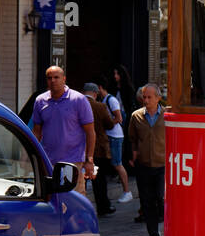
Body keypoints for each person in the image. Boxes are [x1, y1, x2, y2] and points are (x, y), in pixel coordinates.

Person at [32, 66, 96, 192]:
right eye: (49, 78)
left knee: (74, 201)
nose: (53, 81)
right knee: (53, 200)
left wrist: (89, 160)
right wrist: (30, 156)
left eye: (56, 77)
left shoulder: (78, 100)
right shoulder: (40, 101)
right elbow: (36, 132)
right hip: (48, 161)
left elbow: (90, 132)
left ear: (64, 79)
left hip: (72, 162)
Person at [129, 83, 166, 236]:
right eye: (144, 97)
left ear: (158, 98)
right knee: (147, 202)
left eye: (150, 97)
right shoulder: (136, 116)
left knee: (160, 198)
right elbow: (133, 138)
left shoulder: (167, 115)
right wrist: (134, 154)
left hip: (162, 165)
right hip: (144, 165)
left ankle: (169, 233)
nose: (146, 100)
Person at [82, 82, 116, 217]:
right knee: (100, 180)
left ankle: (81, 208)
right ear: (95, 94)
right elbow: (109, 124)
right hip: (98, 148)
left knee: (80, 180)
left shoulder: (76, 105)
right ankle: (103, 206)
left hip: (80, 148)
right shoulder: (100, 106)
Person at [98, 77, 132, 203]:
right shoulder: (105, 100)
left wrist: (108, 125)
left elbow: (119, 118)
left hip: (115, 136)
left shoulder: (111, 100)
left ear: (100, 87)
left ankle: (127, 191)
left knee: (117, 164)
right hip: (111, 135)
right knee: (111, 163)